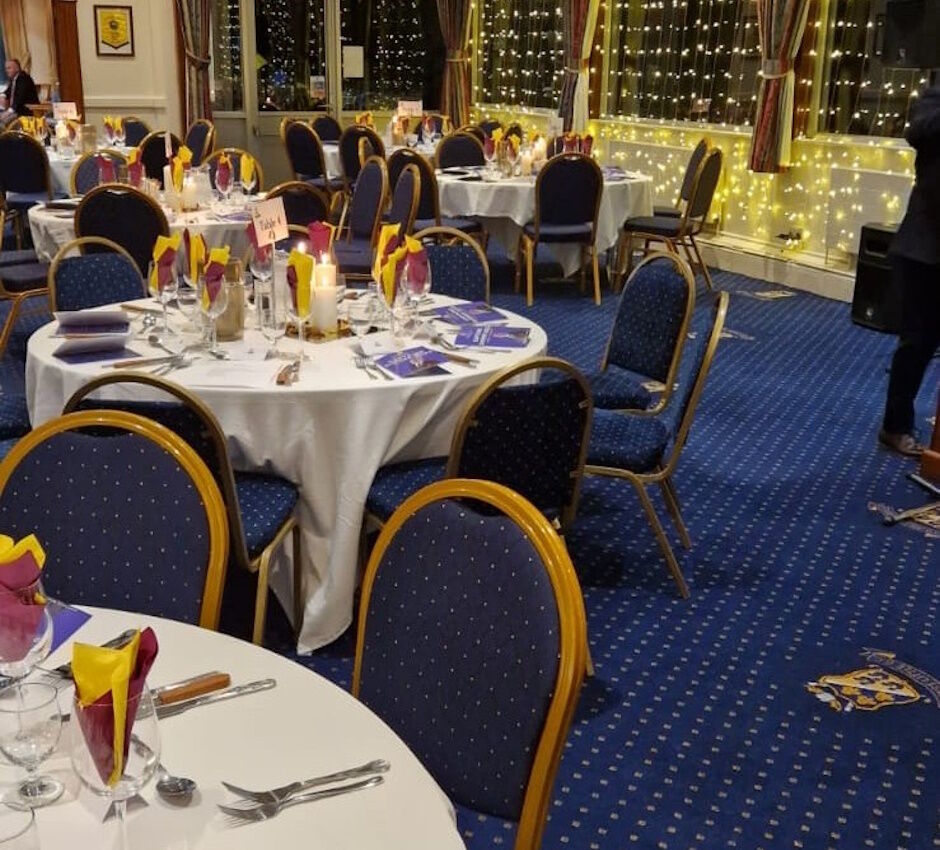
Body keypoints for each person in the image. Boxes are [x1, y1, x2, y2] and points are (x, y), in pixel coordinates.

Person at [879, 82, 940, 457]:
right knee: (917, 344)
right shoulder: (935, 96)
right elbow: (916, 131)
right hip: (926, 249)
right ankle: (895, 426)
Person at [0, 59, 39, 126]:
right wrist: (3, 96)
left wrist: (9, 111)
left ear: (17, 68)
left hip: (26, 112)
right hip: (16, 111)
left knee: (2, 122)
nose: (6, 71)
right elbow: (8, 91)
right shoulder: (14, 79)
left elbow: (20, 98)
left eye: (9, 68)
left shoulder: (24, 78)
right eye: (6, 68)